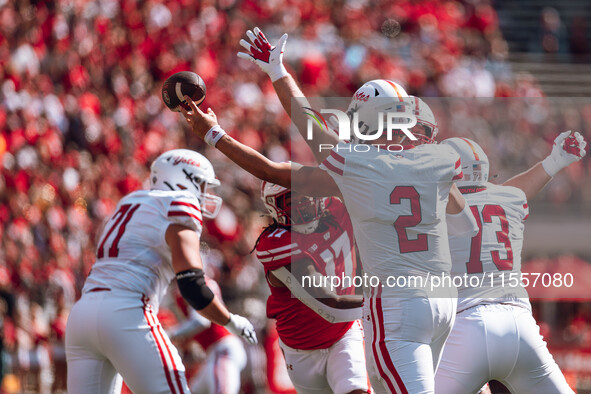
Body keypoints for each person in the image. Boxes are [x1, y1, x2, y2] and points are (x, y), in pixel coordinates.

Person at [182, 58, 478, 394]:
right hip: (444, 296)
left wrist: (217, 131)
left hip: (395, 303)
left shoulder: (354, 173)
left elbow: (291, 149)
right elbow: (466, 226)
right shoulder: (435, 158)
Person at [65, 149, 257, 394]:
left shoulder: (129, 201)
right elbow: (192, 286)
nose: (204, 194)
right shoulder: (179, 203)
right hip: (127, 312)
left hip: (83, 314)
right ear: (183, 178)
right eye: (200, 184)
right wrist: (230, 320)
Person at [435, 133, 587, 393]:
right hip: (518, 323)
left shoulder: (432, 207)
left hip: (465, 323)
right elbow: (514, 190)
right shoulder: (509, 200)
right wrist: (552, 163)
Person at [254, 181, 369, 393]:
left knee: (356, 390)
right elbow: (329, 306)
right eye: (291, 200)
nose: (301, 204)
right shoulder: (278, 243)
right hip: (302, 351)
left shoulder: (338, 207)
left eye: (304, 195)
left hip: (345, 333)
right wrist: (385, 303)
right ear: (274, 207)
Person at [168, 277, 247, 394]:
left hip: (222, 350)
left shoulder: (192, 283)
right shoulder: (197, 282)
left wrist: (169, 334)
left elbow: (201, 321)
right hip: (214, 353)